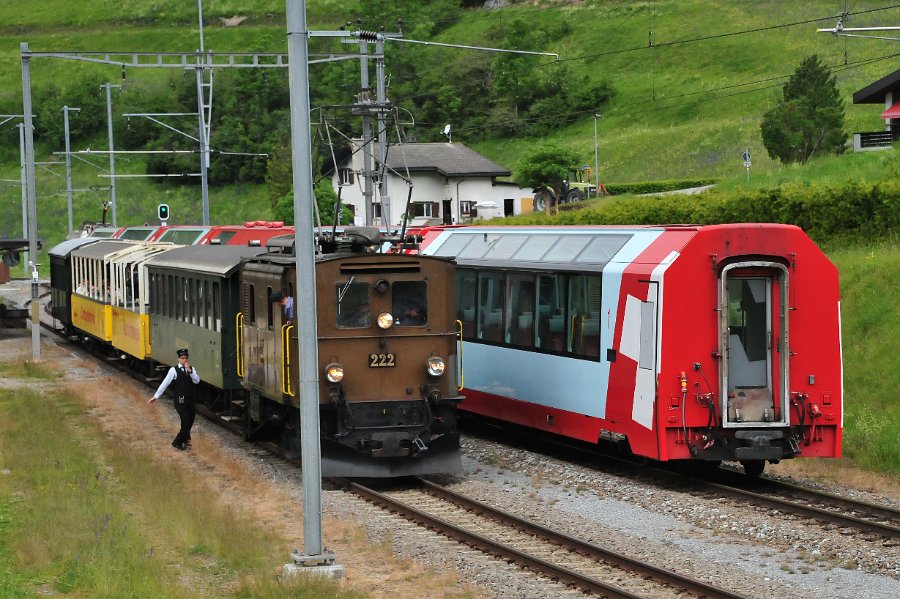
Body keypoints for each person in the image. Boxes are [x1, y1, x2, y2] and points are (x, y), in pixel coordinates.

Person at [148, 348, 201, 451]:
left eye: (186, 358)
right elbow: (165, 383)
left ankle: (185, 441)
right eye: (182, 358)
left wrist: (190, 371)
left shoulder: (192, 369)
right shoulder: (174, 370)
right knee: (185, 422)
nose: (184, 360)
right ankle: (177, 442)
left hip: (190, 400)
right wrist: (156, 396)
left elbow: (197, 381)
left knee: (190, 422)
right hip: (180, 401)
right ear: (179, 359)